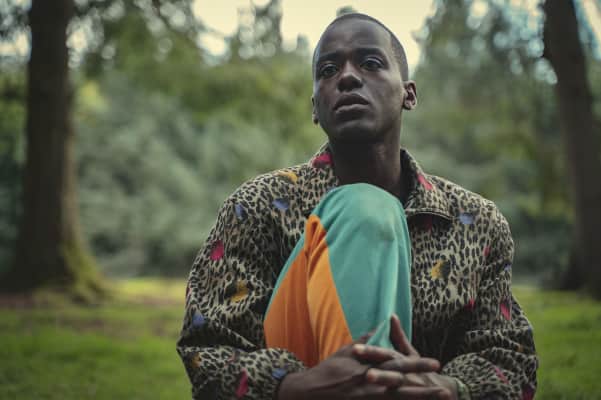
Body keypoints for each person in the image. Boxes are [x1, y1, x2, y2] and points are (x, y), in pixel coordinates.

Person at [177, 13, 538, 400]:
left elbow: (509, 358)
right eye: (328, 70)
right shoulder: (258, 206)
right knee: (365, 207)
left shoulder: (476, 222)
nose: (347, 77)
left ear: (409, 94)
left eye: (370, 63)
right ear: (315, 106)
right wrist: (294, 386)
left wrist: (446, 387)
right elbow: (208, 347)